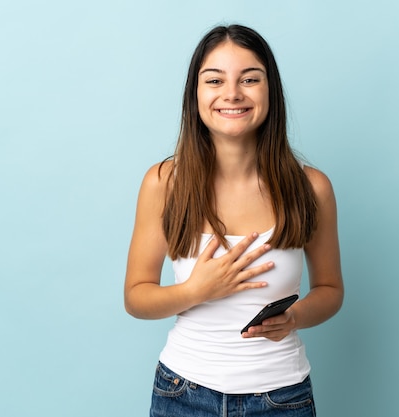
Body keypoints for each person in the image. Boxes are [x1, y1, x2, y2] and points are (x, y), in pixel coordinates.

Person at [124, 24, 344, 416]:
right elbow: (136, 296)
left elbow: (329, 290)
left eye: (249, 79)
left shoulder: (312, 188)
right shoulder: (163, 183)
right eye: (215, 80)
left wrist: (294, 317)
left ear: (269, 90)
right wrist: (198, 290)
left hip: (282, 398)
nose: (232, 94)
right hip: (182, 394)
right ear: (196, 94)